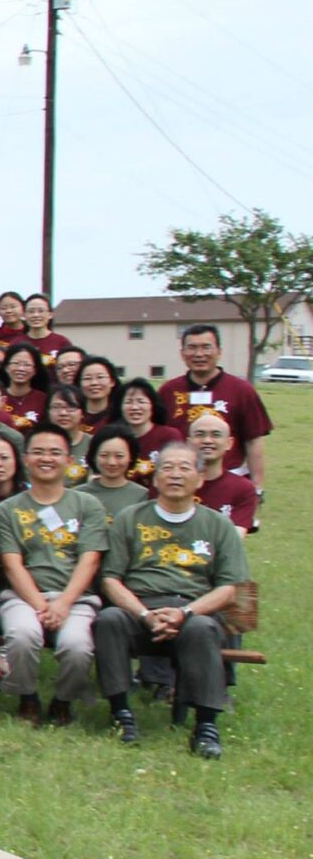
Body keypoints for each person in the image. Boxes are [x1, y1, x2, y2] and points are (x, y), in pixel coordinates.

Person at [95, 442, 249, 758]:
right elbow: (110, 579)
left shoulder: (218, 525)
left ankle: (206, 726)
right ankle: (121, 713)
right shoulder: (129, 518)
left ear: (200, 478)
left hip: (194, 610)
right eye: (167, 468)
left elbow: (231, 588)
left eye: (184, 468)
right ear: (155, 479)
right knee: (109, 620)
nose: (175, 475)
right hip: (140, 608)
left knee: (202, 629)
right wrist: (144, 615)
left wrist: (185, 613)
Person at [0, 423, 112, 728]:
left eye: (55, 452)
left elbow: (90, 559)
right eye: (38, 452)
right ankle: (27, 696)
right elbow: (12, 564)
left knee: (77, 646)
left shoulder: (88, 505)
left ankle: (63, 700)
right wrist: (40, 606)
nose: (46, 458)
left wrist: (63, 603)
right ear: (25, 459)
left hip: (76, 598)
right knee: (22, 637)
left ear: (69, 460)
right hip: (24, 597)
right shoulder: (6, 510)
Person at [156, 324, 273, 497]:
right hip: (180, 482)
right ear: (182, 353)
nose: (199, 354)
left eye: (206, 347)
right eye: (192, 348)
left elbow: (253, 440)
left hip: (228, 481)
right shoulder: (168, 391)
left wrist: (257, 486)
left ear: (219, 351)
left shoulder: (242, 390)